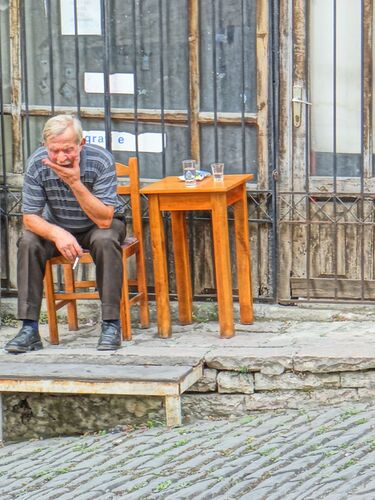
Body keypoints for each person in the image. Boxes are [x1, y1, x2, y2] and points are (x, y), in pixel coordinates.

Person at [4, 114, 126, 353]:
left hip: (98, 225)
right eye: (54, 150)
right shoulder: (37, 163)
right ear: (45, 146)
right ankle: (29, 329)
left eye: (68, 150)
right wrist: (57, 233)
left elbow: (104, 219)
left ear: (81, 144)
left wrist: (75, 183)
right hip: (58, 225)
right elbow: (30, 218)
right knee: (28, 241)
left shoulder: (100, 160)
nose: (61, 157)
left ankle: (111, 324)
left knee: (106, 239)